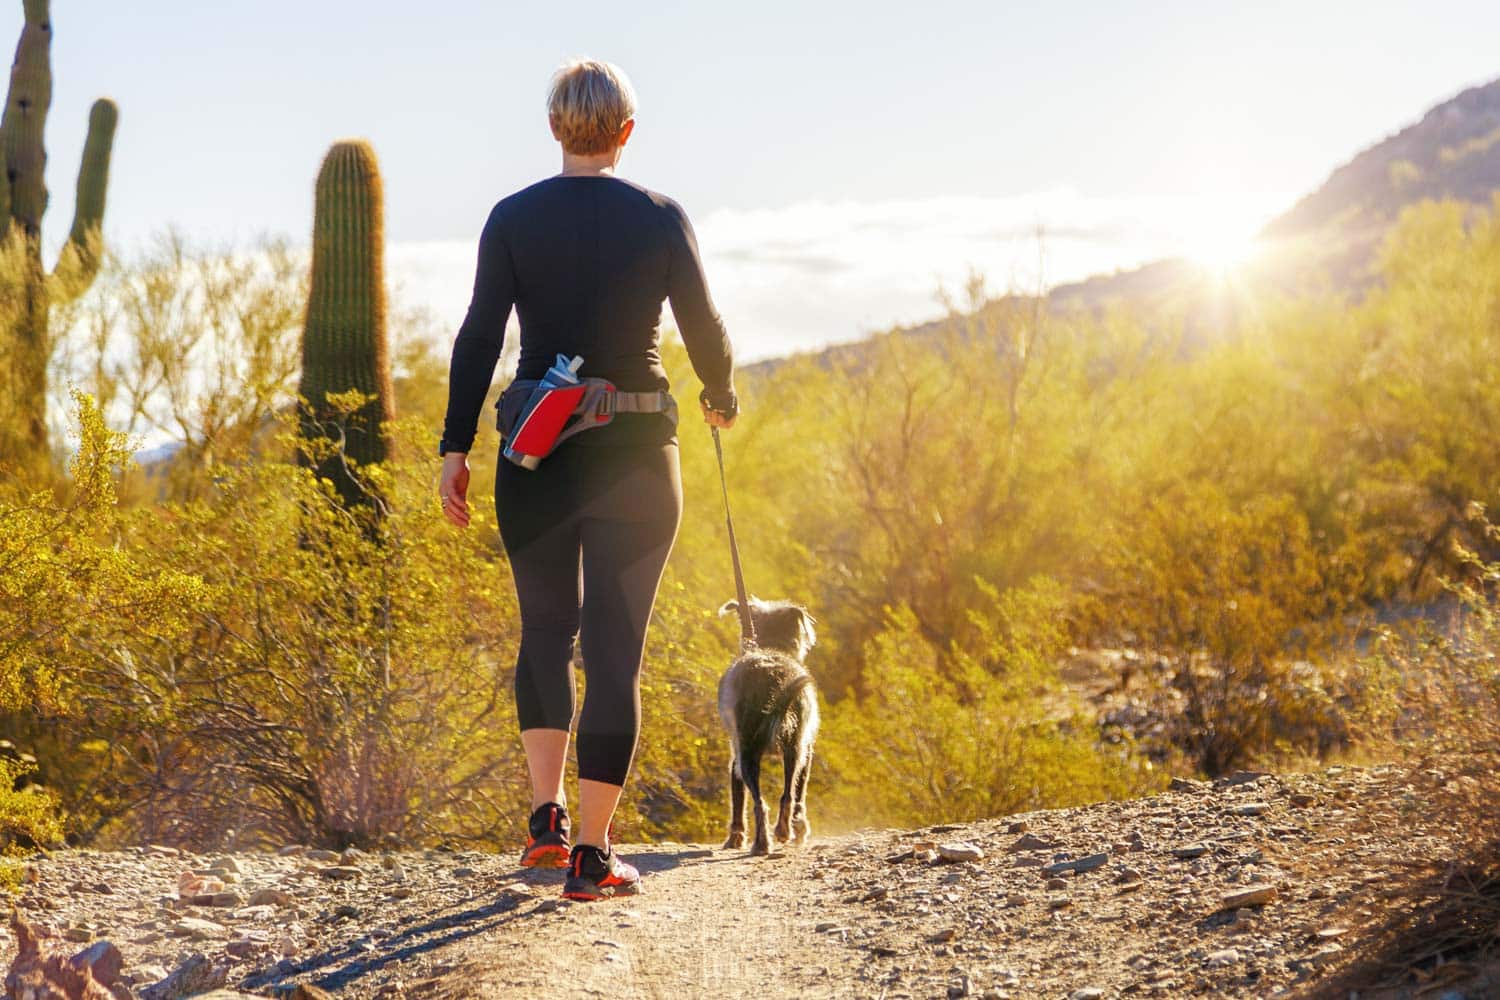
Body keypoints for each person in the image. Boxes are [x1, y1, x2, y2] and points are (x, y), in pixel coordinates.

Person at [437, 58, 738, 901]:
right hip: (639, 453)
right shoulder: (659, 217)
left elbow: (477, 338)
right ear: (627, 132)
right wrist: (720, 396)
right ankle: (594, 857)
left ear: (554, 128)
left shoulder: (511, 217)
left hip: (532, 454)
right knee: (614, 652)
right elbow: (704, 326)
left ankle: (544, 825)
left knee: (544, 632)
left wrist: (454, 447)